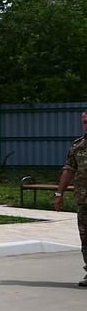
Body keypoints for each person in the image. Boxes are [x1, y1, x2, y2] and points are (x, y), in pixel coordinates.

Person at [53, 110, 87, 287]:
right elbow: (69, 170)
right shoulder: (78, 146)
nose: (86, 124)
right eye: (84, 122)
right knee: (85, 237)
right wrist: (59, 194)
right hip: (84, 201)